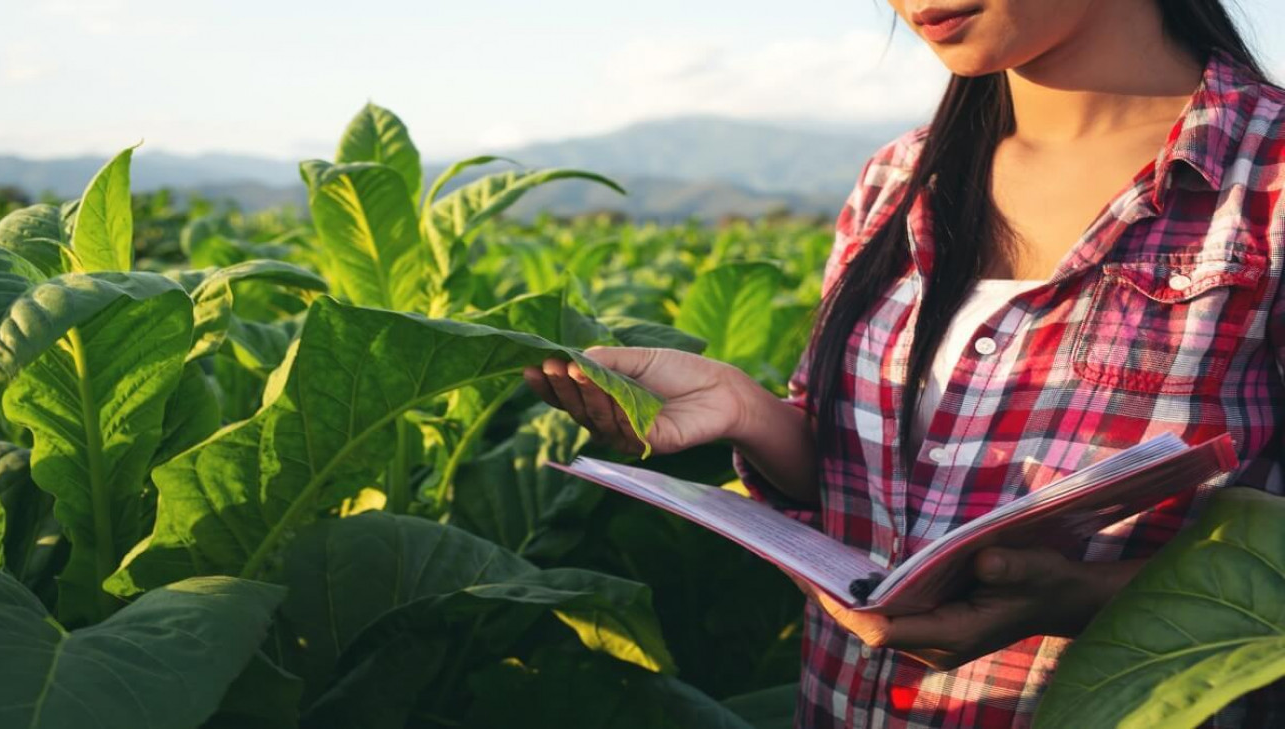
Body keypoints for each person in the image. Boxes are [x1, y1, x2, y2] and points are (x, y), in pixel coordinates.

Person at [524, 0, 1284, 726]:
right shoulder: (898, 179)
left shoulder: (1268, 181)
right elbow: (871, 489)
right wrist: (749, 413)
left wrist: (1090, 595)